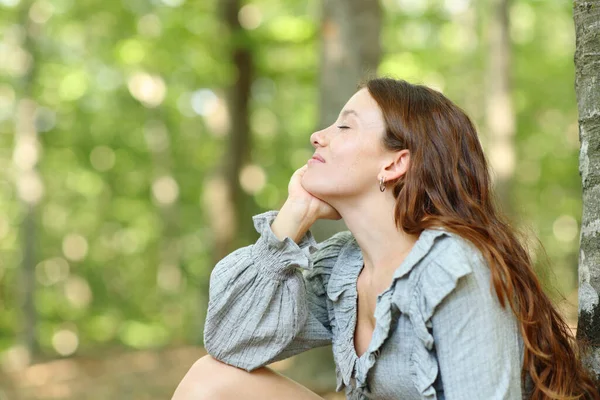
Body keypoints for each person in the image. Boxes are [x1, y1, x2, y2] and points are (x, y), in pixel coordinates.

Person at [171, 78, 600, 400]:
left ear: (396, 163)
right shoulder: (344, 266)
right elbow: (229, 342)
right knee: (212, 380)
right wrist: (295, 214)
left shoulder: (453, 266)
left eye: (345, 127)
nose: (317, 136)